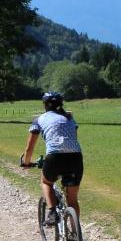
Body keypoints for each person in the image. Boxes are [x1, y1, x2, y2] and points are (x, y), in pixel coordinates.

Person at [20, 91, 83, 226]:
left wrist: (26, 163)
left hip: (54, 157)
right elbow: (72, 139)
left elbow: (29, 148)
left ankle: (52, 211)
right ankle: (74, 234)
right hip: (75, 157)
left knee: (46, 182)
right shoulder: (70, 118)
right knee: (72, 201)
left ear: (45, 105)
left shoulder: (39, 119)